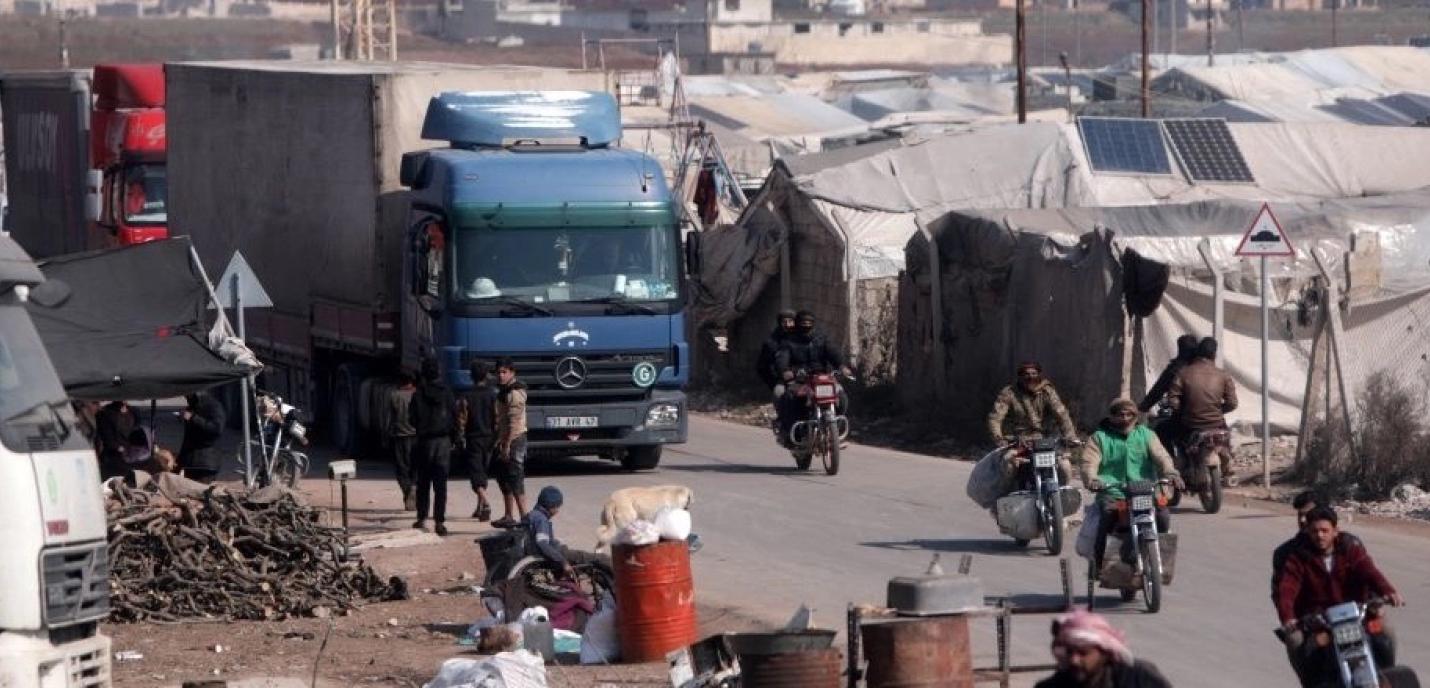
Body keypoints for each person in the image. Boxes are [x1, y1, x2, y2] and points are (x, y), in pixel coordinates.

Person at [1274, 506, 1402, 685]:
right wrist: (1288, 618)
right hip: (1320, 622)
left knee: (1386, 629)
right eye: (1315, 531)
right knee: (1295, 640)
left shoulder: (1351, 548)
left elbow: (1369, 571)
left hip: (1357, 615)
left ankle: (1387, 672)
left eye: (1324, 530)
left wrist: (1388, 591)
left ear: (1335, 531)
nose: (1320, 535)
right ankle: (1309, 682)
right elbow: (1287, 589)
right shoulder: (1297, 557)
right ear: (1308, 532)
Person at [1081, 399, 1183, 569]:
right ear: (1111, 416)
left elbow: (1162, 457)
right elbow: (1088, 463)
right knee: (1107, 517)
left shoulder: (1147, 435)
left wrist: (1171, 473)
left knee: (1163, 515)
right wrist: (1092, 479)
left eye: (1130, 414)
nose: (1125, 418)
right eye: (1120, 414)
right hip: (1116, 495)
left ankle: (1158, 555)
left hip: (1146, 492)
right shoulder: (1099, 438)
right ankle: (1098, 563)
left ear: (1136, 417)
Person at [987, 361, 1080, 492]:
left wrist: (1070, 436)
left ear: (1039, 375)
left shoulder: (1047, 392)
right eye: (1026, 374)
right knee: (1009, 464)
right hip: (1018, 441)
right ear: (1019, 377)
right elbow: (995, 418)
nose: (1030, 377)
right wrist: (999, 438)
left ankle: (1062, 496)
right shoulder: (1009, 393)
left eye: (1033, 373)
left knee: (1065, 466)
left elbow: (1062, 415)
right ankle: (1003, 496)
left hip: (1045, 440)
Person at [1035, 610, 1172, 688]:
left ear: (1105, 652)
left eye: (1083, 653)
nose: (1074, 660)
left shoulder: (1139, 678)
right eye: (1070, 652)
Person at [1166, 337, 1238, 481]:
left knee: (1170, 435)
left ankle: (1175, 470)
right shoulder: (1223, 375)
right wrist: (1217, 411)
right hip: (1216, 422)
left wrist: (1184, 410)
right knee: (1225, 438)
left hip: (1190, 424)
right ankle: (1228, 465)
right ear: (1214, 355)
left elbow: (1172, 398)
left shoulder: (1183, 372)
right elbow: (1232, 403)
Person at [773, 310, 847, 445]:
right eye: (803, 323)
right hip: (799, 380)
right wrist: (785, 371)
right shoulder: (789, 341)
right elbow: (782, 358)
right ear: (798, 324)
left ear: (813, 324)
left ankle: (836, 430)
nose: (806, 325)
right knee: (786, 396)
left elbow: (833, 352)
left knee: (841, 396)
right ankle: (790, 432)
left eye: (809, 323)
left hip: (821, 378)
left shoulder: (821, 338)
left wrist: (842, 366)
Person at [409, 358, 458, 536]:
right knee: (440, 485)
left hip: (424, 443)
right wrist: (454, 439)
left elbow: (411, 419)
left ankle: (422, 518)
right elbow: (455, 416)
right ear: (438, 372)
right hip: (443, 443)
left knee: (423, 484)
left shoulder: (418, 394)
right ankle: (439, 522)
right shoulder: (447, 393)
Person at [458, 359, 498, 522]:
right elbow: (497, 418)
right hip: (489, 438)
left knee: (476, 474)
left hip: (473, 438)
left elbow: (462, 420)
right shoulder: (493, 395)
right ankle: (479, 507)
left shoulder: (465, 397)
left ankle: (486, 503)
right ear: (486, 376)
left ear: (471, 377)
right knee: (483, 471)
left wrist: (460, 438)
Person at [492, 357, 529, 529]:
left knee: (515, 479)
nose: (500, 376)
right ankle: (508, 515)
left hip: (514, 440)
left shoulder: (515, 393)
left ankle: (525, 518)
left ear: (512, 373)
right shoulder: (503, 391)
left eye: (504, 372)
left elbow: (514, 424)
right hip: (503, 439)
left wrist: (506, 446)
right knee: (503, 478)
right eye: (498, 372)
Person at [381, 370, 418, 511]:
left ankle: (407, 491)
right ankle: (414, 487)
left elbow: (388, 419)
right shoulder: (418, 394)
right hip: (416, 437)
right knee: (415, 467)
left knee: (401, 469)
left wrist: (385, 435)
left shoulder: (394, 396)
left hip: (399, 437)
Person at [178, 391, 226, 484]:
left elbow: (216, 428)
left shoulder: (213, 405)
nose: (186, 397)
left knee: (201, 492)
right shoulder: (192, 407)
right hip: (191, 463)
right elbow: (188, 438)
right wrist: (180, 462)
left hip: (205, 462)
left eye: (187, 394)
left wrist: (193, 418)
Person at [95, 401, 137, 480]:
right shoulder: (105, 413)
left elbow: (137, 432)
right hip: (112, 457)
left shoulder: (133, 411)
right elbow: (106, 438)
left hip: (130, 456)